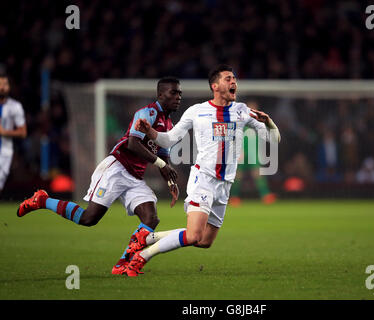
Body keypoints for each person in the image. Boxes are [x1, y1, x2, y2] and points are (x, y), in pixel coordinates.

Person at [122, 64, 281, 277]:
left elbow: (273, 139)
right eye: (228, 78)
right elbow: (169, 138)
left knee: (204, 241)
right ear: (215, 86)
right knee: (194, 236)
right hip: (203, 180)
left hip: (225, 185)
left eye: (234, 78)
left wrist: (269, 122)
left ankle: (148, 238)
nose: (234, 82)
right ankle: (142, 257)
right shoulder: (197, 111)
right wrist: (150, 131)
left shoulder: (242, 110)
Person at [17, 77, 181, 275]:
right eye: (174, 92)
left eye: (179, 93)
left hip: (135, 177)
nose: (178, 97)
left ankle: (122, 265)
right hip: (117, 168)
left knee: (150, 218)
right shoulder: (148, 113)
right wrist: (161, 163)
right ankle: (43, 200)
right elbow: (132, 143)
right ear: (161, 94)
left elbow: (162, 156)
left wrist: (171, 181)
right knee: (89, 218)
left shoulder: (169, 123)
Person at [229, 100, 277, 207]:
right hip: (240, 151)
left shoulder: (259, 122)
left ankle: (265, 195)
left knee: (257, 173)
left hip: (253, 152)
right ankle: (234, 197)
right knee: (238, 175)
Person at [0, 73, 27, 194]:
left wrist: (5, 132)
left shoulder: (15, 106)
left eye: (5, 84)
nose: (2, 87)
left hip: (4, 153)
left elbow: (23, 132)